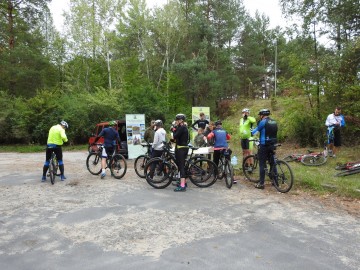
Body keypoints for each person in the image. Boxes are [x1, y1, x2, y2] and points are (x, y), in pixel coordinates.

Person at [251, 109, 278, 190]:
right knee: (272, 163)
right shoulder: (274, 121)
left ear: (262, 115)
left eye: (260, 115)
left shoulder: (263, 122)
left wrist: (251, 131)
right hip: (273, 144)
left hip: (264, 145)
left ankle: (261, 183)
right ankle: (275, 181)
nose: (260, 116)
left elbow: (254, 132)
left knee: (262, 164)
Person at [171, 113, 189, 192]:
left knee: (181, 167)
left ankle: (182, 186)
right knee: (181, 166)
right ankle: (183, 182)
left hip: (181, 149)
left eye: (177, 120)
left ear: (181, 120)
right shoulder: (182, 127)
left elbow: (175, 136)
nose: (176, 121)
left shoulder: (182, 127)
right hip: (181, 148)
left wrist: (174, 129)